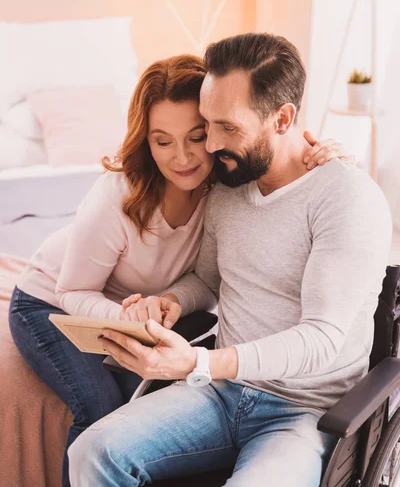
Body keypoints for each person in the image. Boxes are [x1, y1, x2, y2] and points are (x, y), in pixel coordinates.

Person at [68, 33, 392, 487]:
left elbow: (321, 338)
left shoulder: (347, 199)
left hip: (302, 413)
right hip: (220, 396)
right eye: (208, 124)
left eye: (228, 128)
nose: (212, 145)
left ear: (282, 118)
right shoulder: (228, 187)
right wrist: (174, 302)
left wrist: (198, 365)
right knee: (92, 452)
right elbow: (207, 279)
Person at [8, 53, 343, 487]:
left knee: (164, 390)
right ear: (144, 140)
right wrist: (131, 319)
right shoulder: (118, 195)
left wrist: (324, 154)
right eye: (161, 140)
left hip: (145, 309)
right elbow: (72, 291)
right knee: (104, 408)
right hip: (52, 302)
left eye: (196, 137)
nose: (181, 157)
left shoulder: (226, 186)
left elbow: (206, 281)